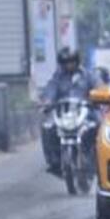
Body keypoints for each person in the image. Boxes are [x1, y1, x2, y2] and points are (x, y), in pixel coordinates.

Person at [40, 47, 100, 176]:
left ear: (77, 61)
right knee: (47, 127)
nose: (69, 64)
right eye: (65, 62)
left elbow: (99, 88)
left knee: (100, 124)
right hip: (64, 113)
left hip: (86, 112)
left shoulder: (88, 75)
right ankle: (54, 161)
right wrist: (47, 101)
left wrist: (97, 98)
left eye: (71, 61)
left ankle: (99, 159)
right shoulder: (58, 77)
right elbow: (51, 89)